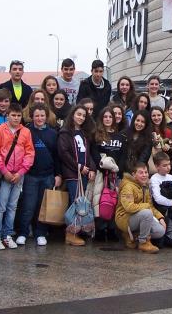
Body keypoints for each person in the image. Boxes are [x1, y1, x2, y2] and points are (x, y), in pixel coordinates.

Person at [0, 103, 35, 250]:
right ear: (7, 115)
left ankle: (7, 234)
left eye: (18, 115)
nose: (16, 118)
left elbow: (30, 153)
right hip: (5, 174)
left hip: (18, 174)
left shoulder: (26, 132)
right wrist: (5, 171)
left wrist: (21, 172)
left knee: (12, 206)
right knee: (0, 206)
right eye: (13, 115)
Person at [16, 103, 61, 246]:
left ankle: (40, 233)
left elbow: (57, 156)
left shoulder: (53, 133)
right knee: (28, 206)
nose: (39, 118)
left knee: (43, 206)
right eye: (37, 116)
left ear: (46, 117)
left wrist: (58, 174)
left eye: (42, 115)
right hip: (30, 175)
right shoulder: (26, 131)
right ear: (32, 117)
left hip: (47, 175)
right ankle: (23, 232)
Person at [57, 104, 96, 246]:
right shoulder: (65, 132)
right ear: (72, 114)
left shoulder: (85, 133)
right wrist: (78, 167)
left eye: (84, 116)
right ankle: (70, 233)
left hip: (84, 174)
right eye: (78, 114)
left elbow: (88, 153)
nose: (81, 117)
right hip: (73, 174)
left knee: (82, 204)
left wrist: (91, 168)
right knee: (75, 203)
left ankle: (78, 231)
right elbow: (63, 153)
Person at [115, 162, 166, 253]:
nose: (144, 175)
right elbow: (129, 207)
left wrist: (160, 217)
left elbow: (151, 206)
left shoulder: (145, 186)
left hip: (139, 216)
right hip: (124, 218)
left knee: (160, 231)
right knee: (147, 213)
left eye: (146, 172)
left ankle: (132, 236)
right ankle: (143, 242)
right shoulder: (128, 186)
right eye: (141, 172)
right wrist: (146, 206)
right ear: (134, 174)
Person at [92, 107, 126, 240]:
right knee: (100, 200)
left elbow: (123, 155)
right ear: (101, 119)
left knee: (114, 201)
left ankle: (111, 229)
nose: (107, 119)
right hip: (102, 174)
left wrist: (118, 170)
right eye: (105, 117)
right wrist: (103, 167)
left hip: (116, 174)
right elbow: (94, 153)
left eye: (110, 117)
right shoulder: (97, 135)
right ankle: (100, 229)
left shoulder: (120, 137)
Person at [121, 110, 153, 175]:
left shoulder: (148, 138)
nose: (139, 124)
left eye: (142, 122)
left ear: (146, 124)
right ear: (133, 120)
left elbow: (144, 157)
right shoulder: (124, 133)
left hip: (139, 171)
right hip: (122, 169)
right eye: (137, 120)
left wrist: (135, 172)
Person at [149, 106, 172, 173]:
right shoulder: (147, 131)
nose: (156, 118)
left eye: (159, 115)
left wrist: (169, 147)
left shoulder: (168, 131)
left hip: (164, 166)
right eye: (153, 116)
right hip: (151, 164)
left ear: (163, 116)